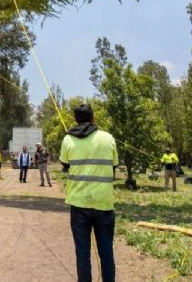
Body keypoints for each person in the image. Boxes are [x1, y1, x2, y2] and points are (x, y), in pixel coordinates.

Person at [60, 104, 118, 282]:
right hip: (104, 204)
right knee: (106, 251)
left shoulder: (68, 140)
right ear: (93, 118)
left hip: (79, 205)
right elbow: (114, 166)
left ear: (76, 120)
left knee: (83, 252)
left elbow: (65, 165)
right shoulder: (108, 138)